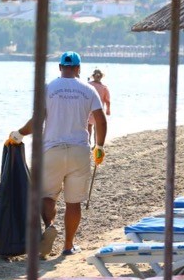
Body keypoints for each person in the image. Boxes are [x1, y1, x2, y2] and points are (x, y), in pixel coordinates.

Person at [9, 51, 107, 257]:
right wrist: (100, 147)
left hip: (51, 151)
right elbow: (100, 120)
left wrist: (18, 134)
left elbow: (37, 122)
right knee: (74, 202)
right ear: (78, 69)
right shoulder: (88, 90)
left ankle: (50, 226)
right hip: (79, 150)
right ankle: (68, 246)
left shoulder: (48, 88)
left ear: (60, 67)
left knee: (47, 195)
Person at [86, 68, 111, 139]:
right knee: (97, 127)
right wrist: (108, 110)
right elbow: (107, 101)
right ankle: (96, 144)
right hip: (99, 109)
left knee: (89, 126)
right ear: (101, 77)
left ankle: (88, 141)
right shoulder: (104, 88)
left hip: (89, 109)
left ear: (93, 76)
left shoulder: (88, 85)